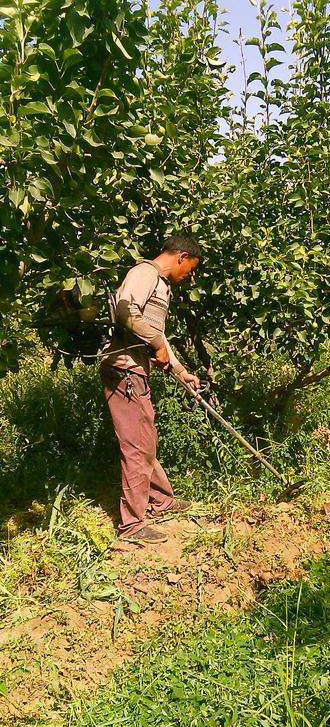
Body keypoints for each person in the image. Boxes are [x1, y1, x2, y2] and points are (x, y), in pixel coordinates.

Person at [100, 233, 201, 544]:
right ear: (181, 257)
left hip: (136, 371)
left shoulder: (159, 283)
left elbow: (155, 333)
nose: (190, 276)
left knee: (147, 440)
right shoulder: (144, 273)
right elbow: (125, 311)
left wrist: (182, 371)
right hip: (124, 371)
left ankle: (161, 500)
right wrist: (156, 343)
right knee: (135, 446)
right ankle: (131, 524)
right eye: (191, 268)